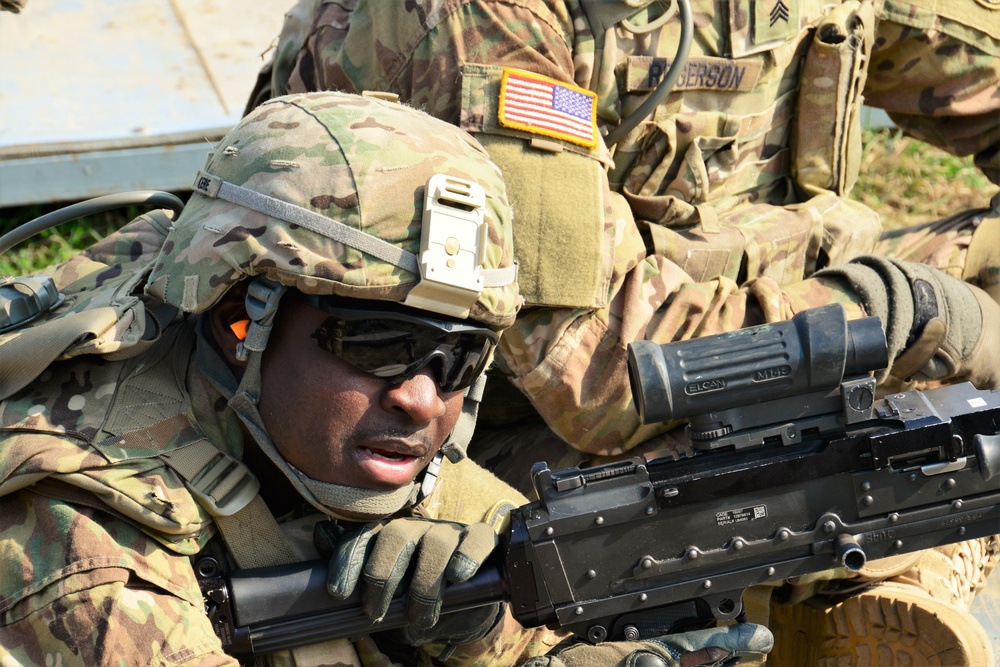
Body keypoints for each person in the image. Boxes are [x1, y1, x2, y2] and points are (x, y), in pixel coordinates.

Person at [248, 1, 1000, 664]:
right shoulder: (475, 14)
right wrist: (911, 310)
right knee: (898, 379)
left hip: (735, 320)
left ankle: (871, 582)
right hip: (475, 419)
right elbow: (599, 373)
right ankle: (866, 576)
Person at [0, 91, 774, 667]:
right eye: (373, 344)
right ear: (241, 318)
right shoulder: (86, 547)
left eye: (460, 360)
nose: (420, 397)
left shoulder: (358, 451)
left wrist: (489, 636)